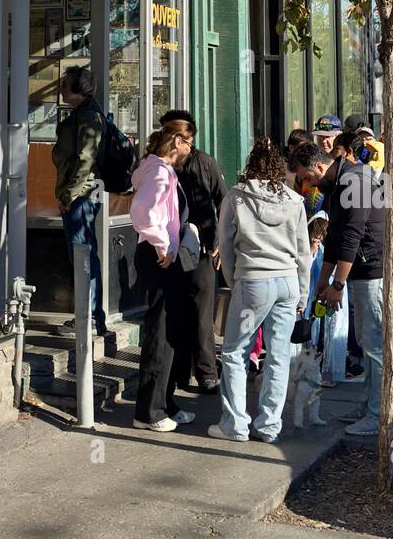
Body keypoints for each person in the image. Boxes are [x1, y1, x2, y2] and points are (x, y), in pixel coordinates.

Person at [208, 137, 311, 444]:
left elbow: (224, 244)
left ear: (250, 166)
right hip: (288, 280)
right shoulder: (294, 201)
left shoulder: (237, 197)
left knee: (235, 352)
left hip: (252, 278)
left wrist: (233, 278)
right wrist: (303, 294)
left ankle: (235, 423)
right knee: (278, 356)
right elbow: (303, 253)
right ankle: (269, 426)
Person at [130, 118, 198, 432]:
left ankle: (164, 401)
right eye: (188, 141)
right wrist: (162, 245)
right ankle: (148, 411)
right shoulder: (159, 171)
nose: (191, 148)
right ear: (175, 142)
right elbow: (142, 213)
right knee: (160, 332)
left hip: (162, 255)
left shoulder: (157, 169)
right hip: (159, 257)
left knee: (170, 330)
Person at [316, 131, 385, 436]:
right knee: (367, 340)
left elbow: (352, 234)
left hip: (371, 267)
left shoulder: (357, 181)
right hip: (362, 267)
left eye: (324, 165)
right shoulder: (348, 182)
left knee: (373, 344)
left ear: (343, 154)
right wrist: (324, 279)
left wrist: (337, 283)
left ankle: (378, 411)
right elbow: (335, 236)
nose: (319, 176)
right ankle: (370, 403)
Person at [160, 109, 226, 394]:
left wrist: (221, 240)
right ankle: (178, 372)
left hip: (202, 247)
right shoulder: (163, 165)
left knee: (200, 313)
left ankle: (206, 373)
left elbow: (223, 200)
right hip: (171, 246)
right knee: (176, 310)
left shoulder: (204, 163)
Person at [52, 67, 107, 335]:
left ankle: (90, 319)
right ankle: (90, 316)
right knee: (83, 254)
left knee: (83, 255)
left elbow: (86, 159)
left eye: (65, 83)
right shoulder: (83, 114)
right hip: (79, 194)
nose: (61, 88)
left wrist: (68, 195)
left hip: (80, 196)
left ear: (78, 88)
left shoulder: (88, 116)